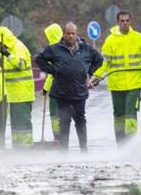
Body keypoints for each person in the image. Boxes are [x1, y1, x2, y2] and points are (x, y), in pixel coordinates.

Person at [35, 21, 103, 151]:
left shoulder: (86, 48)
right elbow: (39, 59)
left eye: (73, 33)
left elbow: (99, 59)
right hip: (62, 92)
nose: (71, 36)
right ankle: (63, 150)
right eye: (68, 33)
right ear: (64, 34)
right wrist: (52, 70)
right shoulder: (55, 49)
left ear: (76, 34)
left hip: (79, 92)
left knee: (80, 121)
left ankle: (84, 149)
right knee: (64, 122)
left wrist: (89, 71)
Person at [92, 11, 141, 144]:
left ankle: (131, 142)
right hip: (116, 83)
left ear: (130, 22)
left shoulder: (139, 38)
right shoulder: (110, 40)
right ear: (118, 22)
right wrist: (97, 75)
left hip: (134, 83)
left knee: (130, 112)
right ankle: (120, 141)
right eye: (122, 21)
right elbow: (105, 62)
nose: (125, 23)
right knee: (119, 114)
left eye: (127, 20)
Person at [0, 26, 35, 148]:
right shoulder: (9, 49)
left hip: (22, 94)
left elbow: (21, 65)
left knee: (23, 123)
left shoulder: (18, 47)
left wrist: (8, 54)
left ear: (5, 40)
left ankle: (26, 147)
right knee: (16, 124)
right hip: (13, 95)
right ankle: (17, 147)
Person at [39, 23, 64, 141]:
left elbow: (52, 74)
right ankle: (64, 137)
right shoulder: (66, 46)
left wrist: (45, 88)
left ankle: (58, 138)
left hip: (56, 88)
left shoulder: (53, 49)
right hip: (68, 87)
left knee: (55, 115)